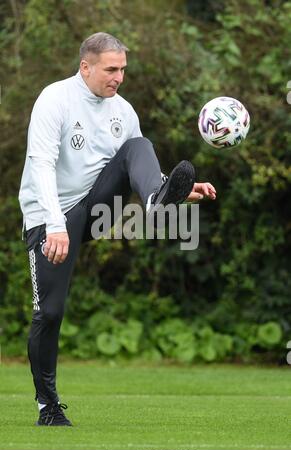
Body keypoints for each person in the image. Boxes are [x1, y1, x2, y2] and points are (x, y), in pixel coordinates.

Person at [18, 32, 216, 426]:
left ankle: (159, 198)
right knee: (49, 313)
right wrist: (55, 226)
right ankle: (48, 405)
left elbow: (133, 162)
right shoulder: (54, 99)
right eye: (111, 69)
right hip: (51, 215)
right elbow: (40, 164)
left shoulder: (122, 110)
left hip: (95, 206)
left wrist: (175, 188)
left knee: (137, 145)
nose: (118, 77)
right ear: (85, 67)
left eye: (123, 69)